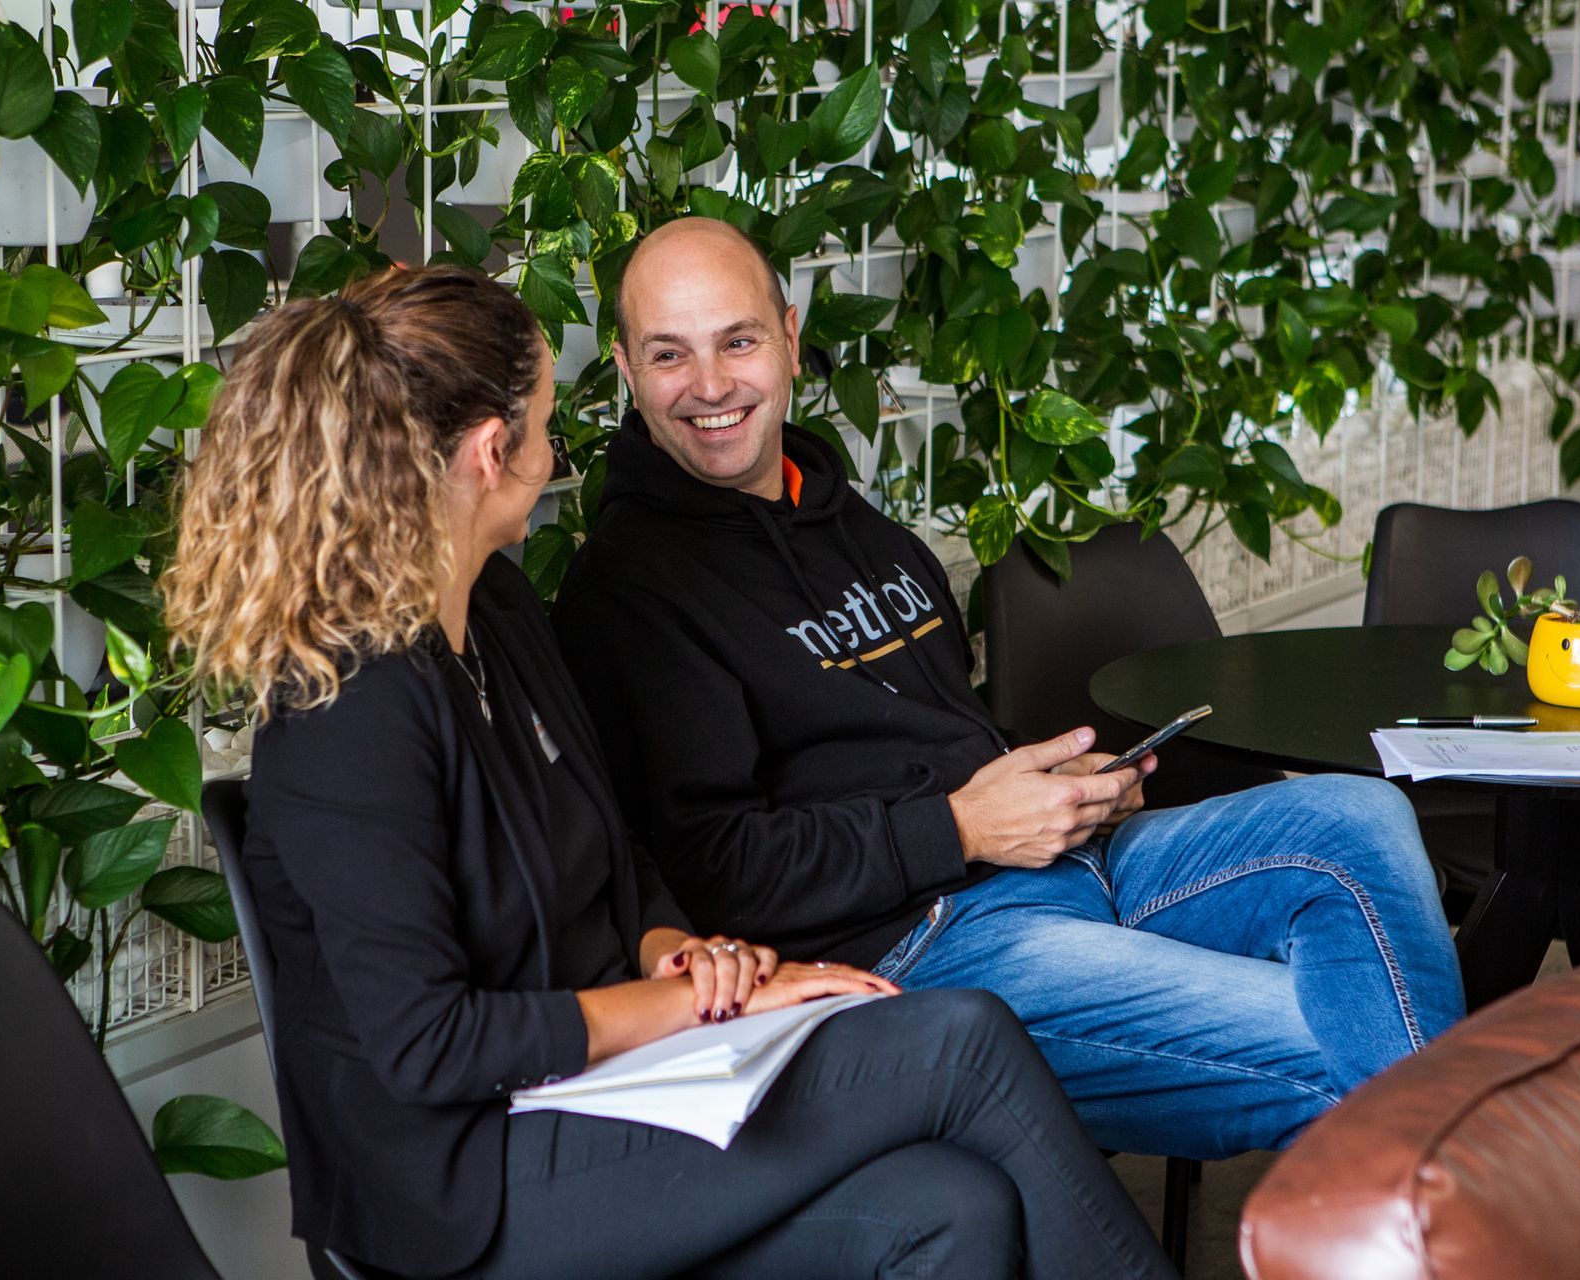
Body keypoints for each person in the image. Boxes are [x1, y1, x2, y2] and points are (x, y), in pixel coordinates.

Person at [161, 266, 1178, 1280]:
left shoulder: (500, 614)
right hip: (459, 1175)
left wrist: (680, 954)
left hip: (600, 1085)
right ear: (487, 453)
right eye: (545, 424)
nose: (556, 454)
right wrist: (699, 1009)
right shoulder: (350, 708)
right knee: (957, 1041)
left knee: (949, 1206)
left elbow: (612, 845)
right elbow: (429, 1043)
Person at [552, 217, 1468, 1160]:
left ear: (789, 340)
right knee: (1338, 1041)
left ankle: (1452, 1187)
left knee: (1358, 820)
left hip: (1062, 866)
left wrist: (1059, 797)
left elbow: (925, 737)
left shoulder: (845, 518)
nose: (710, 386)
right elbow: (715, 874)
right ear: (626, 369)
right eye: (671, 355)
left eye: (737, 341)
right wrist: (960, 828)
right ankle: (1487, 1193)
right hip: (922, 949)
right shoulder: (630, 592)